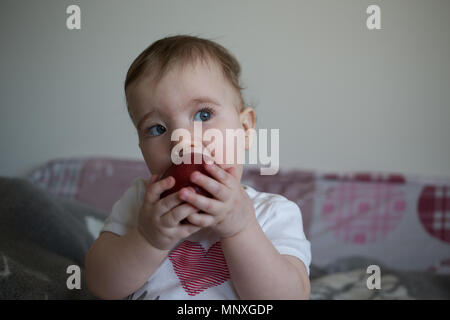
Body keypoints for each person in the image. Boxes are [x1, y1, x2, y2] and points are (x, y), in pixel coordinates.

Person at [85, 35, 311, 300]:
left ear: (245, 129)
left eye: (203, 115)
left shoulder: (272, 214)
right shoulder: (140, 204)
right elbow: (101, 285)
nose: (181, 139)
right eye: (157, 128)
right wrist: (148, 239)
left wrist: (241, 228)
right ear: (141, 148)